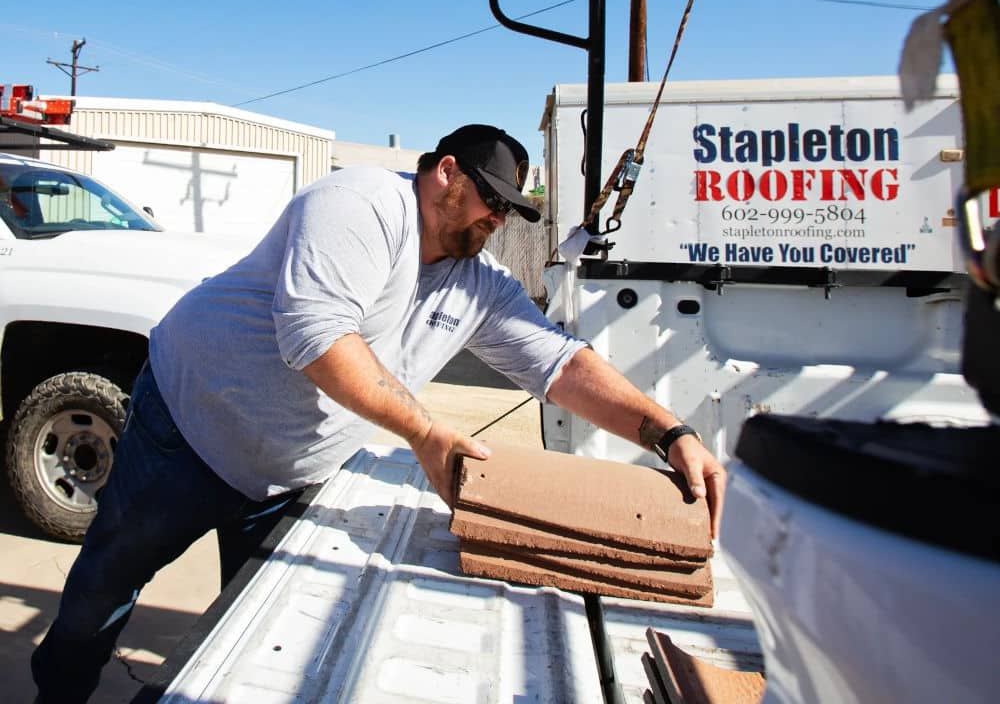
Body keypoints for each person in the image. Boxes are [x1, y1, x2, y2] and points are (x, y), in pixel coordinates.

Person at [32, 124, 726, 703]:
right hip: (186, 429)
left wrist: (669, 432)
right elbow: (316, 337)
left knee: (248, 632)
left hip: (280, 478)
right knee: (103, 590)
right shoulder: (360, 202)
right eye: (491, 198)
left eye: (510, 210)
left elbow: (562, 363)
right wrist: (423, 431)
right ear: (445, 172)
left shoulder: (475, 282)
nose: (498, 218)